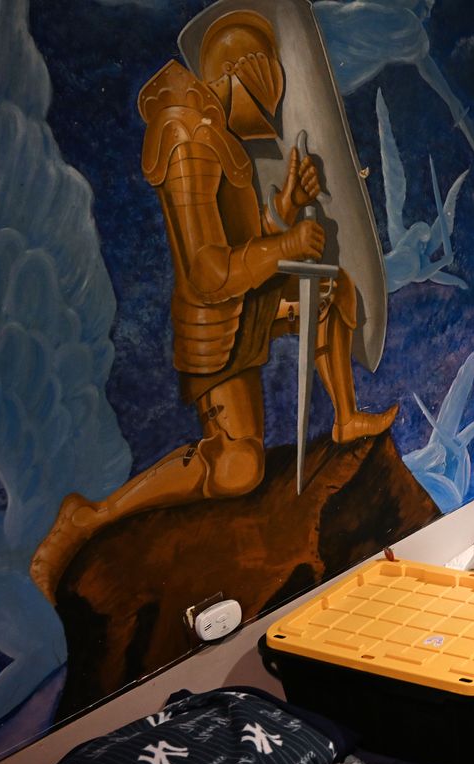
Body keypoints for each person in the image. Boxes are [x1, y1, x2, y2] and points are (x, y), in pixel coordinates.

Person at [29, 10, 396, 603]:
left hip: (248, 302)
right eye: (260, 93)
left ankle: (345, 416)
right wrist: (285, 243)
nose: (266, 113)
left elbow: (241, 233)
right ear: (234, 77)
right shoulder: (186, 137)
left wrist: (285, 208)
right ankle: (91, 516)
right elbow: (207, 272)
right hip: (217, 326)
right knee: (237, 470)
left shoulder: (215, 130)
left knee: (333, 293)